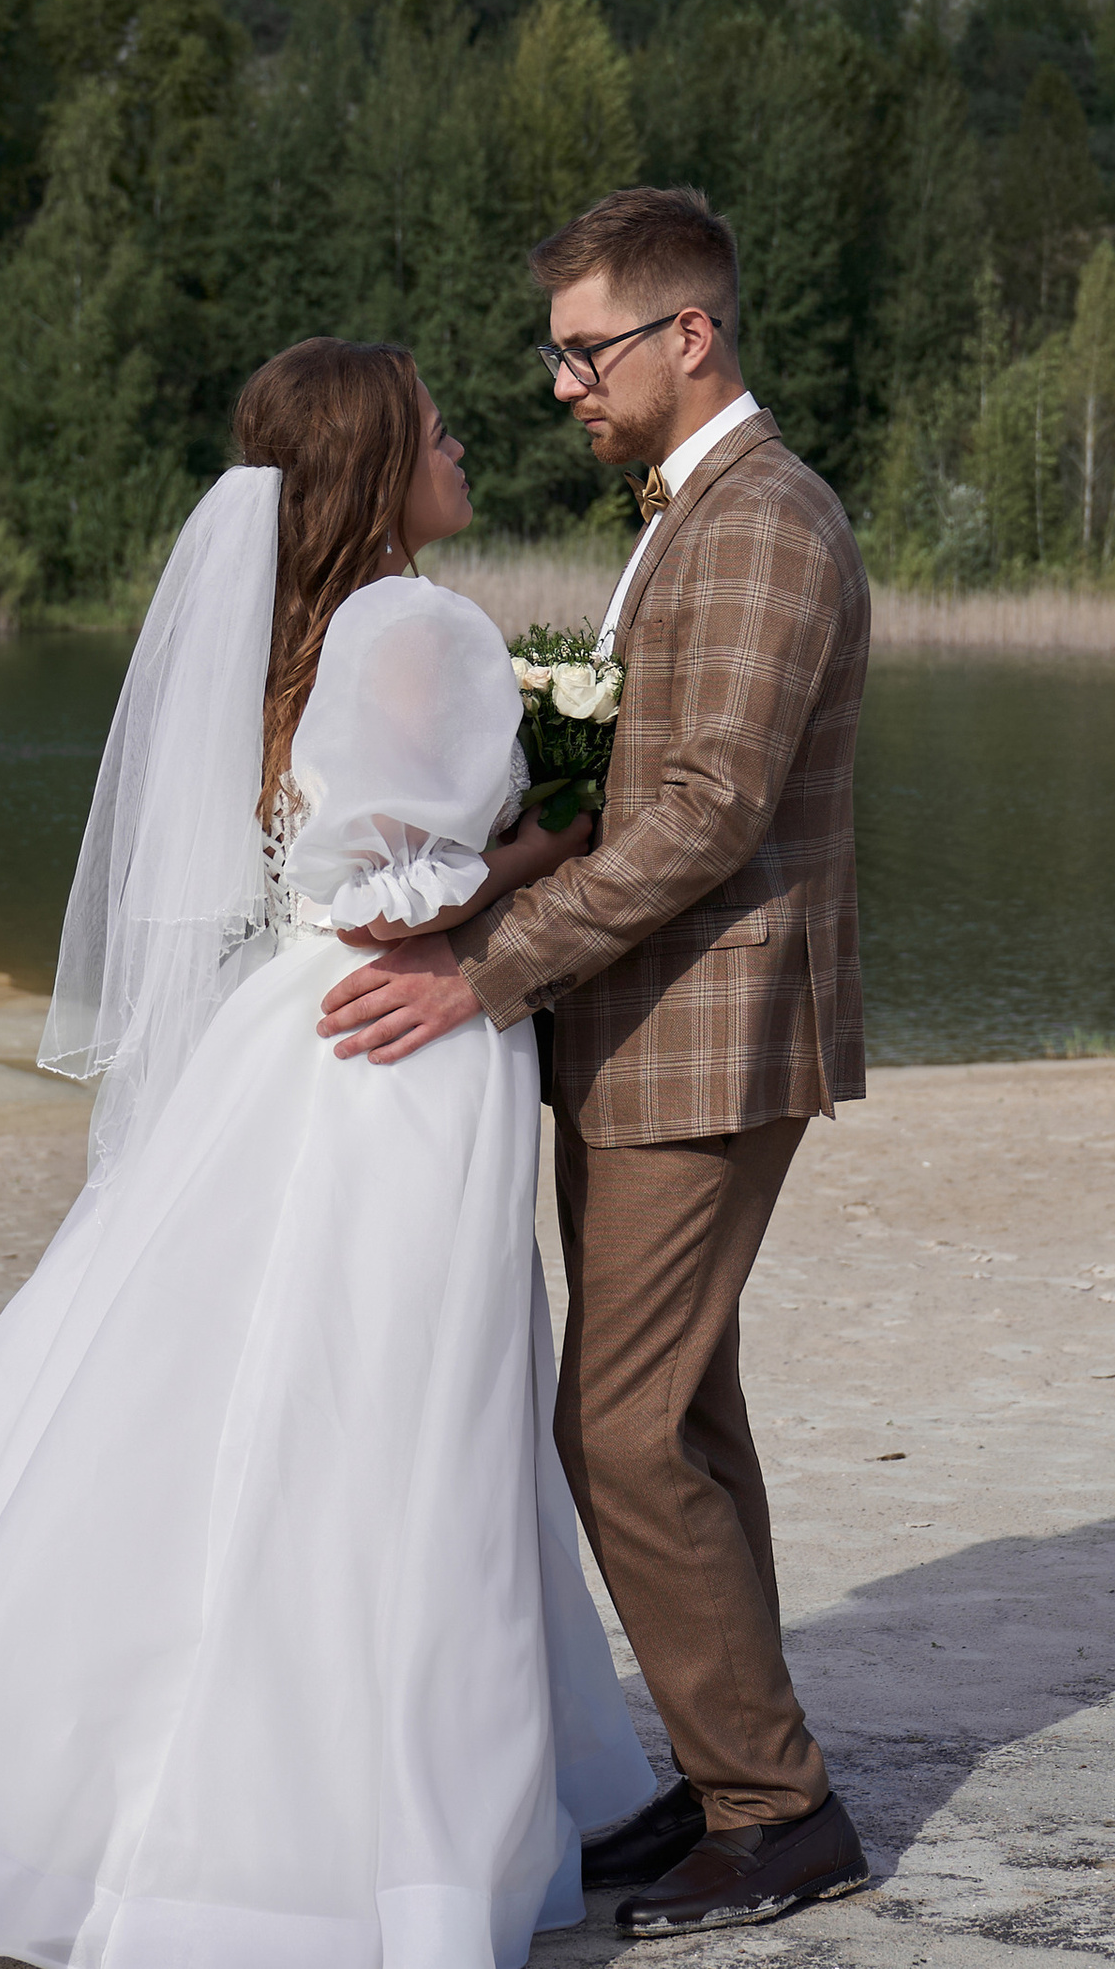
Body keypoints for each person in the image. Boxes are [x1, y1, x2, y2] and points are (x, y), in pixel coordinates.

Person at [0, 337, 653, 1969]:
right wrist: (574, 813)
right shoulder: (415, 624)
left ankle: (62, 1783)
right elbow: (389, 895)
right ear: (372, 465)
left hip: (289, 1038)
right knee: (391, 1418)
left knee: (207, 1391)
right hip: (391, 1056)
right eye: (433, 428)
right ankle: (359, 1844)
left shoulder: (290, 630)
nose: (462, 441)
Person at [320, 187, 873, 1939]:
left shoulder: (766, 520)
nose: (561, 381)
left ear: (685, 336)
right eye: (556, 352)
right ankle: (735, 1787)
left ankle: (778, 1813)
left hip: (710, 1038)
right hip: (645, 1031)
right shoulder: (685, 515)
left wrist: (483, 969)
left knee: (618, 1431)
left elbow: (710, 816)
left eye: (585, 348)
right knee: (684, 1418)